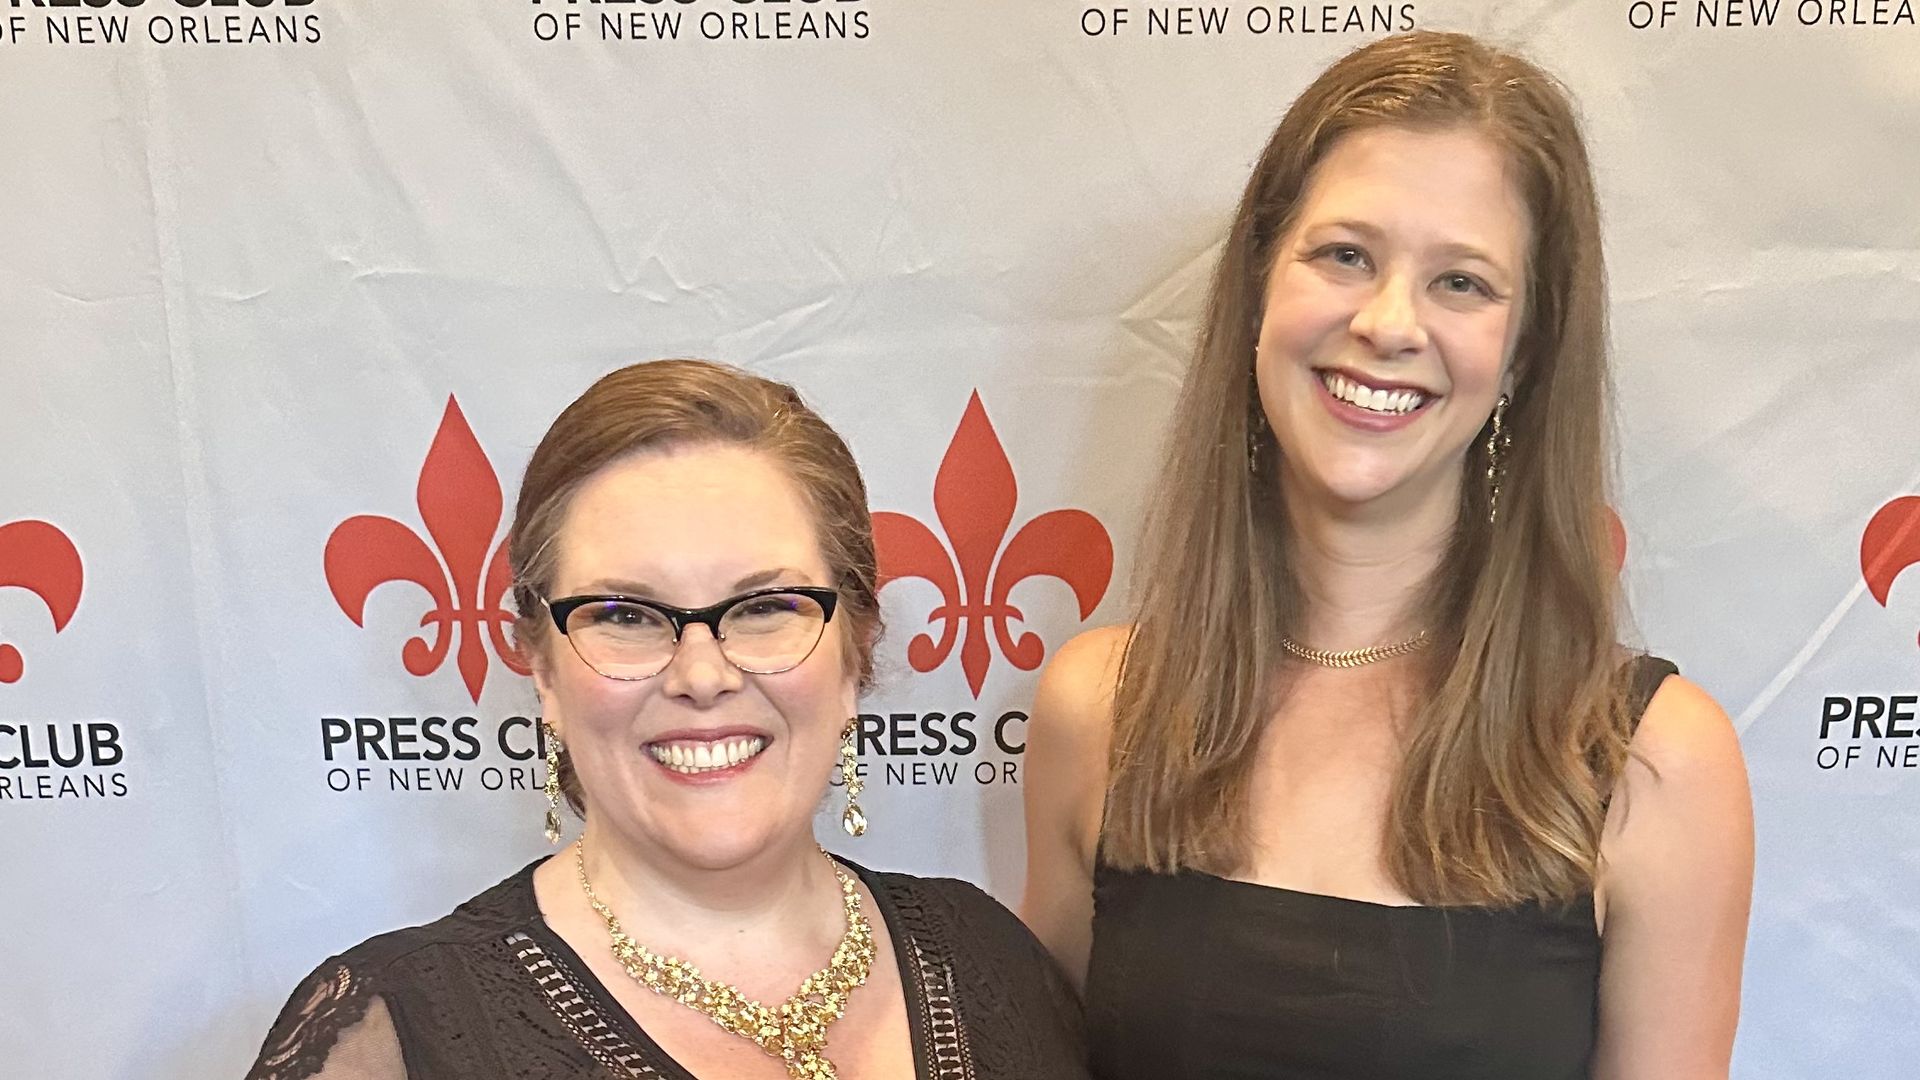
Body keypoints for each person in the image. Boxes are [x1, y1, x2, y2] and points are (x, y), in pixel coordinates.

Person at [1021, 31, 1752, 1080]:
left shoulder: (1649, 760)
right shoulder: (1101, 709)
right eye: (1345, 254)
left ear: (1525, 353)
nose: (1388, 323)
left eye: (1461, 283)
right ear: (1260, 287)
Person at [248, 360, 1088, 1080]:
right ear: (541, 666)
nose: (700, 674)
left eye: (764, 606)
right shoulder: (395, 1033)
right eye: (624, 614)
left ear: (856, 650)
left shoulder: (990, 958)